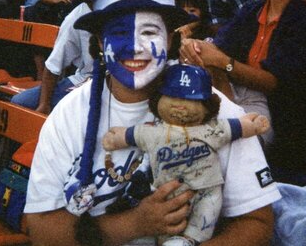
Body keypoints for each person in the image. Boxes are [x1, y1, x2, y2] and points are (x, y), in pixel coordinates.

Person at [24, 0, 280, 246]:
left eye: (149, 31)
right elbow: (45, 231)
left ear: (171, 38)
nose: (135, 48)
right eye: (118, 32)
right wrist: (134, 223)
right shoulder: (69, 116)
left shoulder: (213, 106)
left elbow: (257, 222)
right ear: (100, 42)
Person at [181, 0, 306, 186]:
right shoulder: (253, 11)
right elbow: (219, 46)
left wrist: (224, 63)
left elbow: (275, 83)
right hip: (243, 104)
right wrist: (195, 46)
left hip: (284, 123)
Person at [103, 63, 270, 245]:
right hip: (163, 194)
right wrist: (117, 138)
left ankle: (189, 240)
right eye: (174, 97)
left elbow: (234, 128)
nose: (181, 106)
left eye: (191, 99)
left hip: (207, 190)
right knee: (158, 220)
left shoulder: (213, 127)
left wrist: (251, 125)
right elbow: (132, 135)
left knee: (206, 213)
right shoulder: (153, 132)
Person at [11, 2, 93, 114]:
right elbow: (54, 65)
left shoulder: (122, 8)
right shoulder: (80, 13)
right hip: (88, 78)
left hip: (114, 80)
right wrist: (44, 104)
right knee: (21, 102)